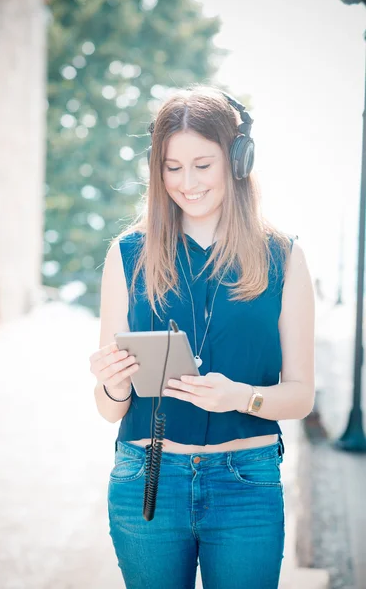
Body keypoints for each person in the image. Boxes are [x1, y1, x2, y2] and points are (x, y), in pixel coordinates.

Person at [89, 85, 315, 589]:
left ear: (238, 160)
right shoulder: (127, 255)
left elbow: (300, 396)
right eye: (172, 167)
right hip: (147, 480)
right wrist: (113, 383)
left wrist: (241, 396)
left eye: (202, 164)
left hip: (246, 484)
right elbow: (109, 410)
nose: (186, 182)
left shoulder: (284, 257)